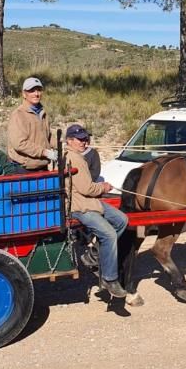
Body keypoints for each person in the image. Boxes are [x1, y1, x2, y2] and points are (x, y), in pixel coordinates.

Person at [64, 124, 129, 298]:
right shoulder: (74, 158)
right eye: (80, 139)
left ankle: (93, 254)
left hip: (90, 202)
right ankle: (110, 278)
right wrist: (104, 187)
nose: (84, 142)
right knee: (109, 234)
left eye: (86, 139)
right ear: (69, 140)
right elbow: (87, 189)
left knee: (122, 220)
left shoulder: (77, 156)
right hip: (80, 206)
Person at [7, 77, 56, 171]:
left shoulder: (43, 112)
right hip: (23, 168)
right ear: (24, 94)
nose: (36, 94)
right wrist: (44, 152)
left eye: (39, 90)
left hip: (42, 165)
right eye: (32, 91)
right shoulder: (18, 115)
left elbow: (47, 136)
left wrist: (62, 146)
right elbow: (19, 143)